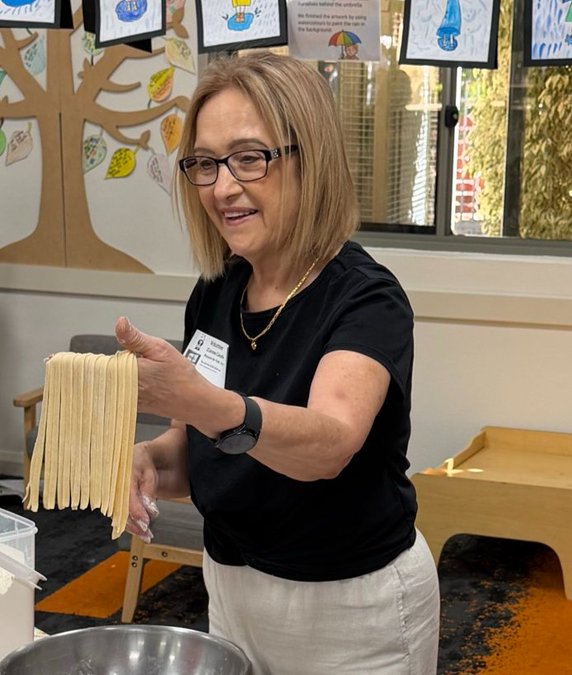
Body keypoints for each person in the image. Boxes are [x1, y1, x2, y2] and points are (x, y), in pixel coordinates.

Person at [114, 53, 439, 674]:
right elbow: (208, 450)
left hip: (351, 606)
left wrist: (195, 400)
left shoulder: (366, 298)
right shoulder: (217, 293)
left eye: (249, 157)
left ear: (307, 160)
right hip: (233, 589)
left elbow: (328, 446)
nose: (223, 187)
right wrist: (149, 460)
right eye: (206, 164)